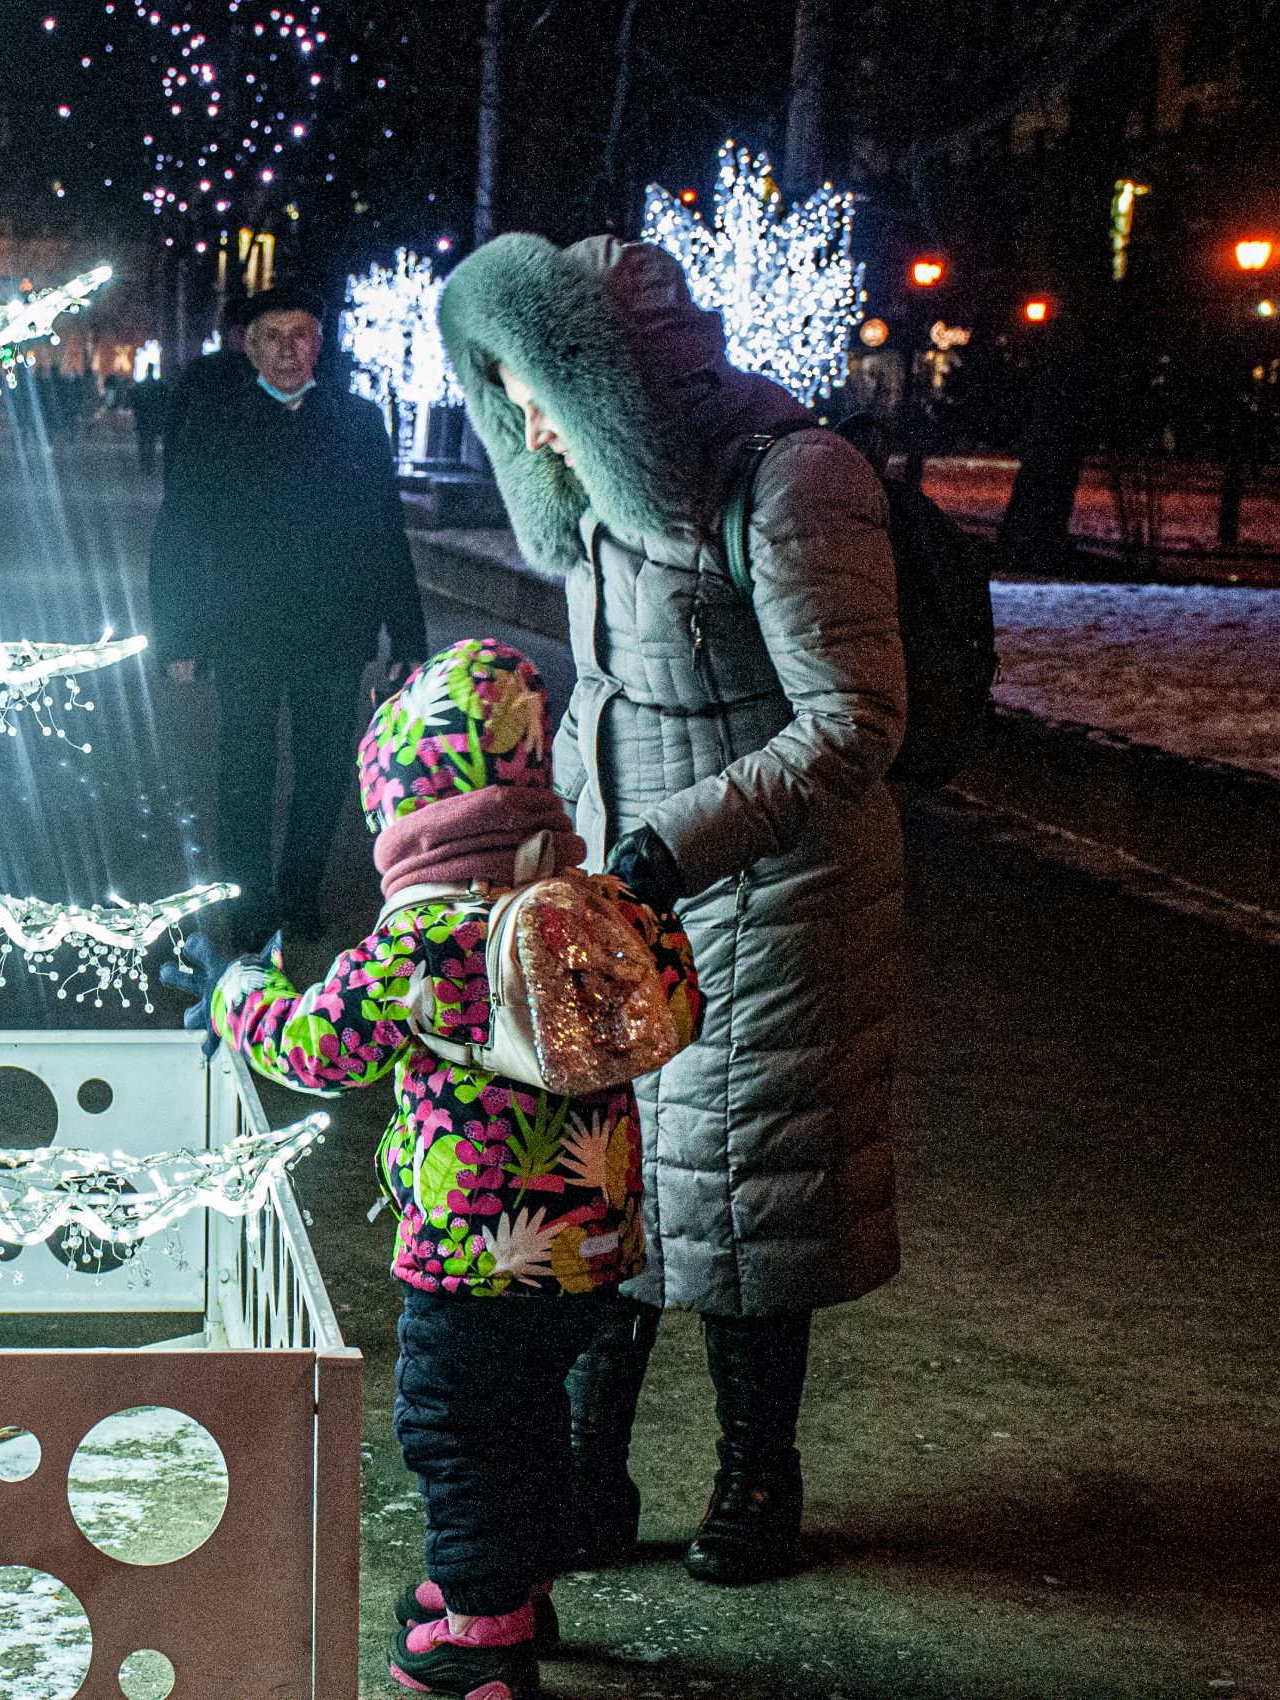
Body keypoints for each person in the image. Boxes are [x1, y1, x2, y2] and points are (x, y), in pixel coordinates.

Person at [440, 234, 906, 1585]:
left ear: (615, 383)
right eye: (508, 390)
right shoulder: (594, 486)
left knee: (748, 1201)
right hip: (619, 887)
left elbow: (854, 723)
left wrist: (664, 848)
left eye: (541, 389)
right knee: (616, 1175)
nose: (526, 422)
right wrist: (550, 830)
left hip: (777, 892)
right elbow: (610, 691)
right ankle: (591, 1480)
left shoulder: (795, 481)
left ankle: (760, 1473)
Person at [163, 640, 701, 1700]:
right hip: (593, 1249)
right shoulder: (593, 911)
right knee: (531, 1409)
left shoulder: (423, 942)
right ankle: (513, 1583)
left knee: (450, 1429)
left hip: (471, 1257)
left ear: (407, 817)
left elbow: (312, 1047)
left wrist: (232, 990)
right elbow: (677, 996)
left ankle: (479, 1638)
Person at [147, 283, 428, 948]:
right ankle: (247, 904)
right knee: (245, 766)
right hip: (243, 628)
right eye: (271, 337)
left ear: (319, 344)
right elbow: (180, 529)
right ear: (250, 346)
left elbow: (385, 530)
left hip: (333, 632)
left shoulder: (357, 422)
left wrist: (407, 634)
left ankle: (299, 892)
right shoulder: (219, 421)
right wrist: (178, 633)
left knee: (325, 766)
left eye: (299, 335)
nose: (285, 350)